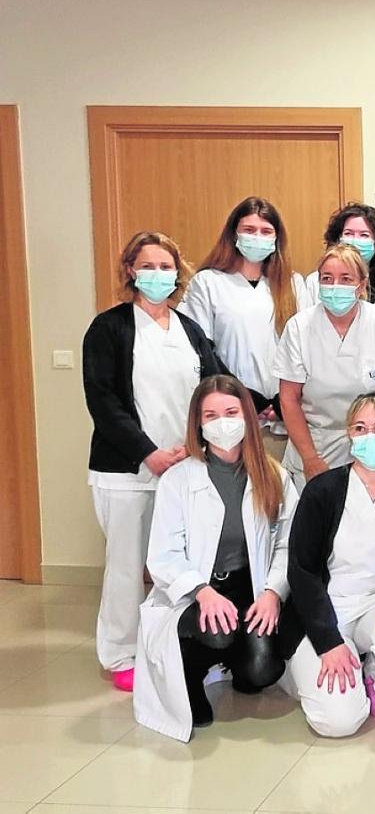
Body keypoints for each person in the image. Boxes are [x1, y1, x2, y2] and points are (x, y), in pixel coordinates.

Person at [82, 231, 224, 691]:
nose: (158, 275)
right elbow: (103, 402)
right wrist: (149, 453)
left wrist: (262, 405)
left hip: (185, 465)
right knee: (127, 567)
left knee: (186, 563)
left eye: (166, 267)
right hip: (129, 471)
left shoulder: (188, 330)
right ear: (130, 270)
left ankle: (181, 648)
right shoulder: (109, 329)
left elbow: (217, 383)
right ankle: (121, 653)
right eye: (148, 266)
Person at [134, 375, 299, 740]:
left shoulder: (274, 476)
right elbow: (163, 555)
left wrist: (272, 593)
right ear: (198, 423)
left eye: (231, 412)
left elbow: (289, 544)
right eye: (211, 415)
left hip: (250, 587)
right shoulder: (178, 480)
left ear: (248, 417)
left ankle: (235, 661)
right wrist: (203, 592)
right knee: (217, 629)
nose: (222, 423)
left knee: (262, 671)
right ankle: (191, 675)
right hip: (198, 591)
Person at [284, 393, 375, 737]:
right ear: (349, 434)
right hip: (325, 609)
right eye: (361, 428)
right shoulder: (322, 491)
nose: (371, 436)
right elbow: (302, 572)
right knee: (339, 723)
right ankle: (309, 670)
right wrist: (328, 642)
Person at [275, 243, 375, 490]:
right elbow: (289, 400)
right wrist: (310, 458)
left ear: (361, 284)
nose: (335, 286)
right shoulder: (299, 327)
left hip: (369, 443)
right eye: (327, 278)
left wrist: (374, 441)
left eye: (345, 278)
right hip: (314, 444)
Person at [180, 197, 308, 451]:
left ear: (277, 238)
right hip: (228, 417)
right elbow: (201, 351)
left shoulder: (292, 284)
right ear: (234, 234)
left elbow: (304, 349)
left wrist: (281, 400)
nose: (257, 237)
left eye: (265, 231)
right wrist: (242, 396)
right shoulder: (208, 282)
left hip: (283, 417)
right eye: (249, 230)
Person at [304, 202, 375, 316]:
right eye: (348, 233)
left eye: (364, 235)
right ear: (337, 239)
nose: (354, 241)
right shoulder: (314, 282)